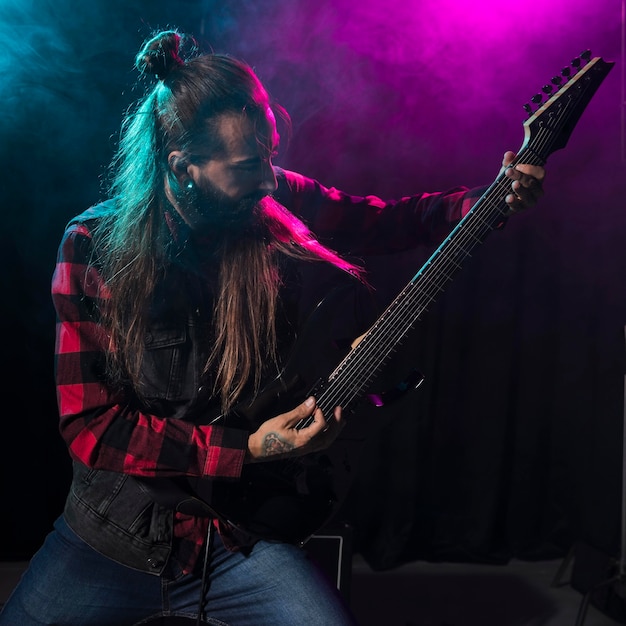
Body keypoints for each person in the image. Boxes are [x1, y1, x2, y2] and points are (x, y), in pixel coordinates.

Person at [0, 29, 545, 626]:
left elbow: (384, 222)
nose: (269, 179)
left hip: (237, 540)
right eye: (247, 166)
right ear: (184, 168)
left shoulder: (266, 192)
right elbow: (93, 427)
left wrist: (484, 200)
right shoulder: (93, 249)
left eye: (270, 156)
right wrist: (252, 448)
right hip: (117, 535)